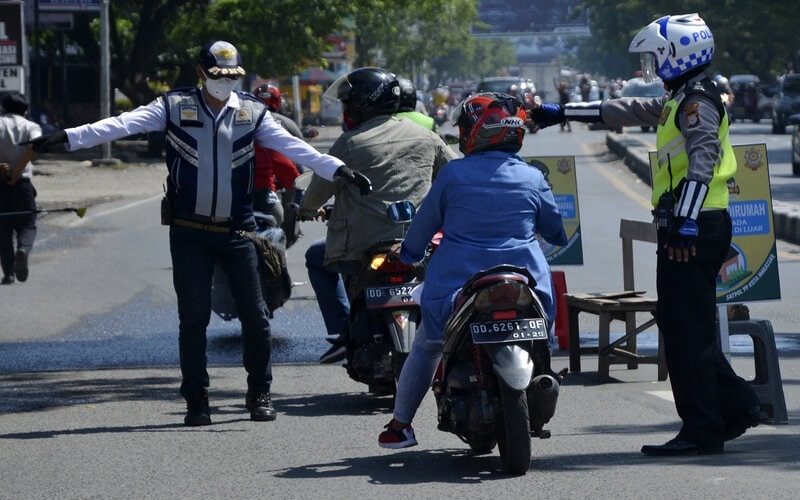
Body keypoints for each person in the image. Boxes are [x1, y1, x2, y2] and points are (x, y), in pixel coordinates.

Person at [25, 40, 369, 427]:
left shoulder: (253, 113)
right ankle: (197, 399)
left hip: (240, 232)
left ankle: (259, 392)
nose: (226, 83)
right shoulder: (172, 107)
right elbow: (120, 125)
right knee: (193, 320)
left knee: (256, 318)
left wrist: (337, 169)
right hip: (189, 232)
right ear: (201, 73)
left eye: (233, 76)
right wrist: (66, 138)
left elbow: (296, 148)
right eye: (218, 76)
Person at [530, 13, 766, 456]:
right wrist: (560, 112)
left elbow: (704, 161)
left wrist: (686, 220)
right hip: (691, 221)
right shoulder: (683, 97)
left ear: (677, 54)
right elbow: (629, 109)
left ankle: (703, 429)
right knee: (686, 327)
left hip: (693, 225)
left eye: (657, 56)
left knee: (683, 334)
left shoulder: (698, 102)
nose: (653, 66)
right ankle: (736, 407)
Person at [378, 91, 567, 448]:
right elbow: (556, 231)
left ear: (476, 131)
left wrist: (408, 254)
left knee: (428, 345)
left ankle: (400, 425)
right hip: (528, 285)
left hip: (456, 286)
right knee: (544, 340)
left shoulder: (453, 175)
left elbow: (420, 232)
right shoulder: (531, 176)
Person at [300, 66, 458, 364]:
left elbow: (317, 191)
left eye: (348, 102)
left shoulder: (349, 143)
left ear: (362, 103)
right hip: (418, 243)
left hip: (360, 248)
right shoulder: (425, 135)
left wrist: (306, 209)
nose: (346, 109)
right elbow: (456, 174)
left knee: (314, 257)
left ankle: (342, 330)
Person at [0, 92, 42, 285]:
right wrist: (17, 171)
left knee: (3, 229)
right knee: (27, 225)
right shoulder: (31, 126)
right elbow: (36, 145)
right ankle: (23, 250)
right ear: (25, 111)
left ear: (3, 109)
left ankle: (8, 273)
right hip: (22, 184)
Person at [251, 83, 301, 229]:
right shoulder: (285, 124)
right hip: (265, 193)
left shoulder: (241, 125)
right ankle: (297, 210)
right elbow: (293, 171)